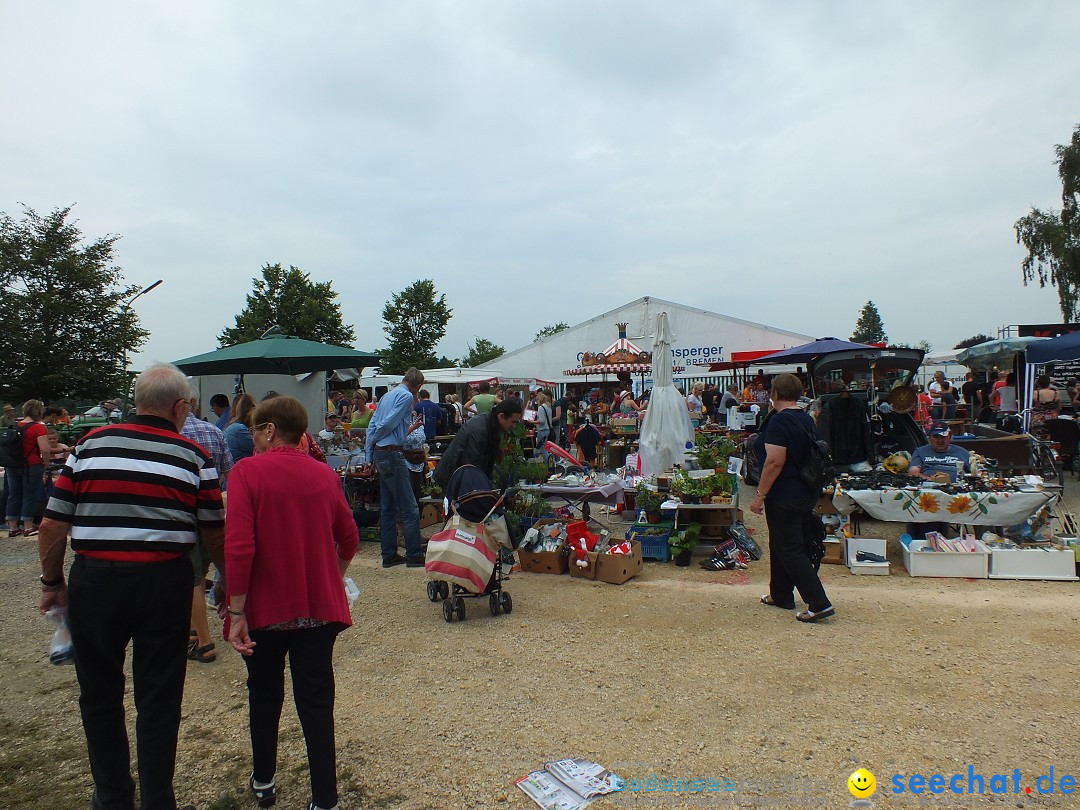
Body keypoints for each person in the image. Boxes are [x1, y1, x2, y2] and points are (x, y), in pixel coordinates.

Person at [37, 363, 224, 810]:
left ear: (137, 401)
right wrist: (229, 583)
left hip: (96, 580)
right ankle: (158, 799)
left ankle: (112, 796)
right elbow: (214, 532)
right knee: (158, 695)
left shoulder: (88, 445)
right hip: (163, 582)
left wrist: (52, 583)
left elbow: (50, 526)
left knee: (99, 693)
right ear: (180, 407)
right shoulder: (194, 456)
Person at [224, 395, 358, 810]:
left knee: (264, 695)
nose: (252, 439)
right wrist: (331, 577)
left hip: (265, 609)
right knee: (317, 702)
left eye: (255, 431)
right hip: (317, 611)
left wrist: (236, 611)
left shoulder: (246, 472)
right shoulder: (324, 475)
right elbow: (349, 539)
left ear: (269, 430)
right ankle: (325, 798)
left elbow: (240, 547)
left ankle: (264, 779)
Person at [749, 373, 834, 623]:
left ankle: (819, 603)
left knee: (791, 549)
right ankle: (781, 594)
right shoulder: (805, 419)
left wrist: (760, 495)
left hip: (784, 492)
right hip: (805, 490)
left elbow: (774, 461)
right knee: (781, 543)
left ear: (775, 393)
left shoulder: (779, 422)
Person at [182, 395, 234, 666]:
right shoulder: (213, 431)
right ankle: (193, 631)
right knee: (201, 572)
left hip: (182, 513)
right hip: (212, 508)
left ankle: (204, 642)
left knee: (192, 579)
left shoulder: (172, 434)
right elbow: (229, 471)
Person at [366, 368, 427, 568]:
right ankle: (414, 554)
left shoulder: (386, 396)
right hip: (392, 453)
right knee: (410, 508)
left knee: (388, 508)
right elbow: (386, 425)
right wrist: (376, 441)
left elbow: (374, 425)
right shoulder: (406, 396)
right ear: (418, 385)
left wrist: (370, 452)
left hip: (382, 454)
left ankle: (389, 554)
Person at [433, 398, 525, 489]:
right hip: (452, 478)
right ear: (501, 416)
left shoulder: (491, 423)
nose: (514, 426)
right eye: (513, 422)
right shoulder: (479, 430)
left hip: (460, 476)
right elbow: (472, 465)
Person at [907, 421, 971, 539]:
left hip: (957, 495)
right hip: (930, 494)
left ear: (950, 437)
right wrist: (932, 479)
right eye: (936, 437)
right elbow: (913, 472)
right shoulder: (920, 451)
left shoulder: (962, 452)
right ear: (930, 438)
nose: (940, 440)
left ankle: (986, 540)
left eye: (943, 437)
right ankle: (927, 542)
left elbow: (974, 473)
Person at [6, 399, 51, 538]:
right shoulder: (39, 428)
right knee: (29, 495)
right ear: (38, 411)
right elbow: (44, 449)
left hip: (13, 465)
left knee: (14, 495)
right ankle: (28, 527)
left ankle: (13, 527)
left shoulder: (15, 426)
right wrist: (46, 463)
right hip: (31, 465)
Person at [223, 392, 257, 464]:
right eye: (254, 408)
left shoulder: (233, 427)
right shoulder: (239, 429)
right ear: (250, 410)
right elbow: (260, 448)